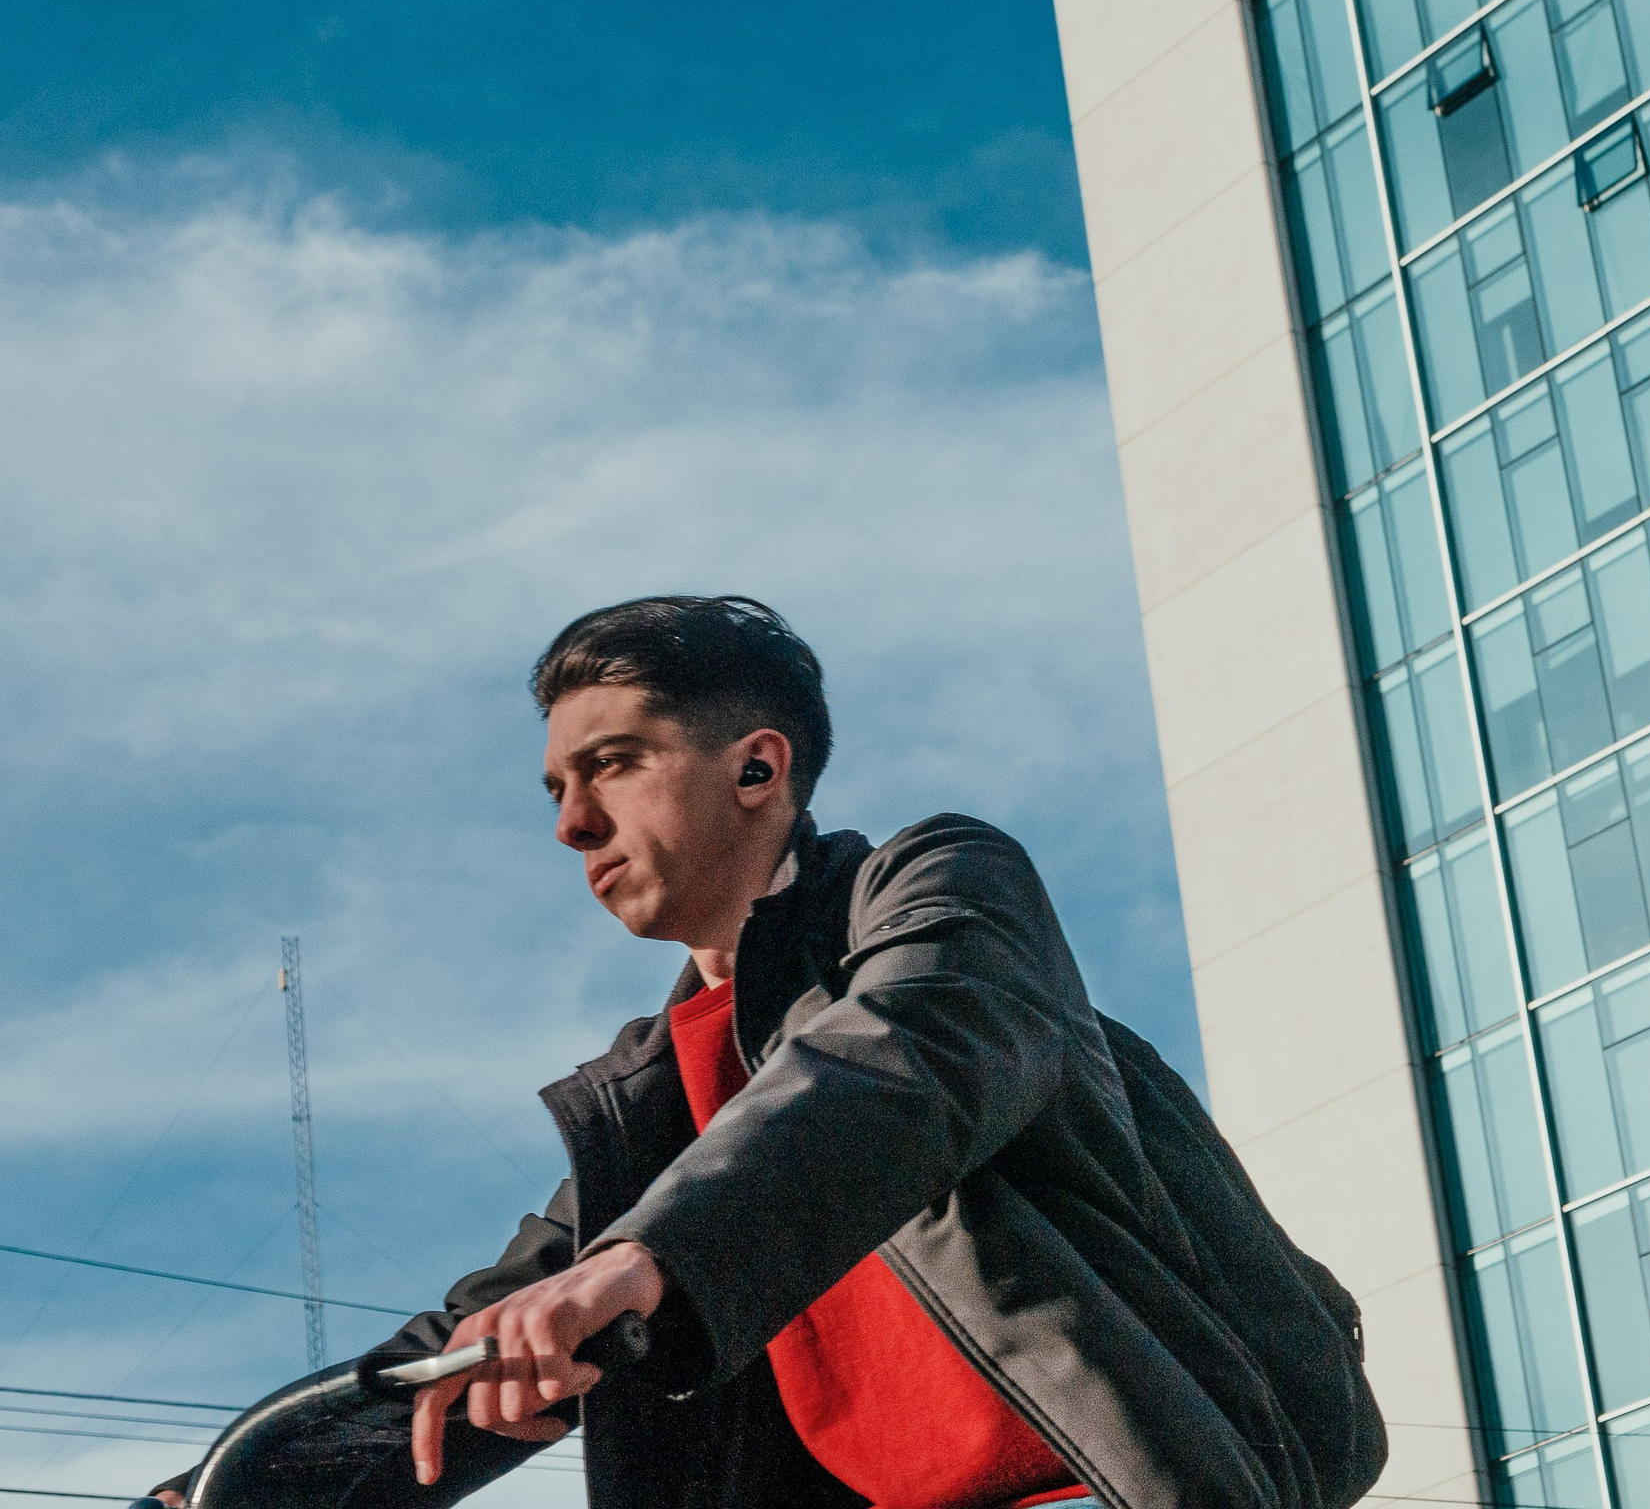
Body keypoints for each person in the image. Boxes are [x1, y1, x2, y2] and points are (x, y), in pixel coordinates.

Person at [152, 595, 1383, 1509]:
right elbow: (484, 1338)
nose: (574, 822)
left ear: (757, 766)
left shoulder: (935, 894)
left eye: (613, 765)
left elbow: (907, 1056)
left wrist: (643, 1259)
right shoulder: (653, 1095)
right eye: (554, 791)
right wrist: (211, 1487)